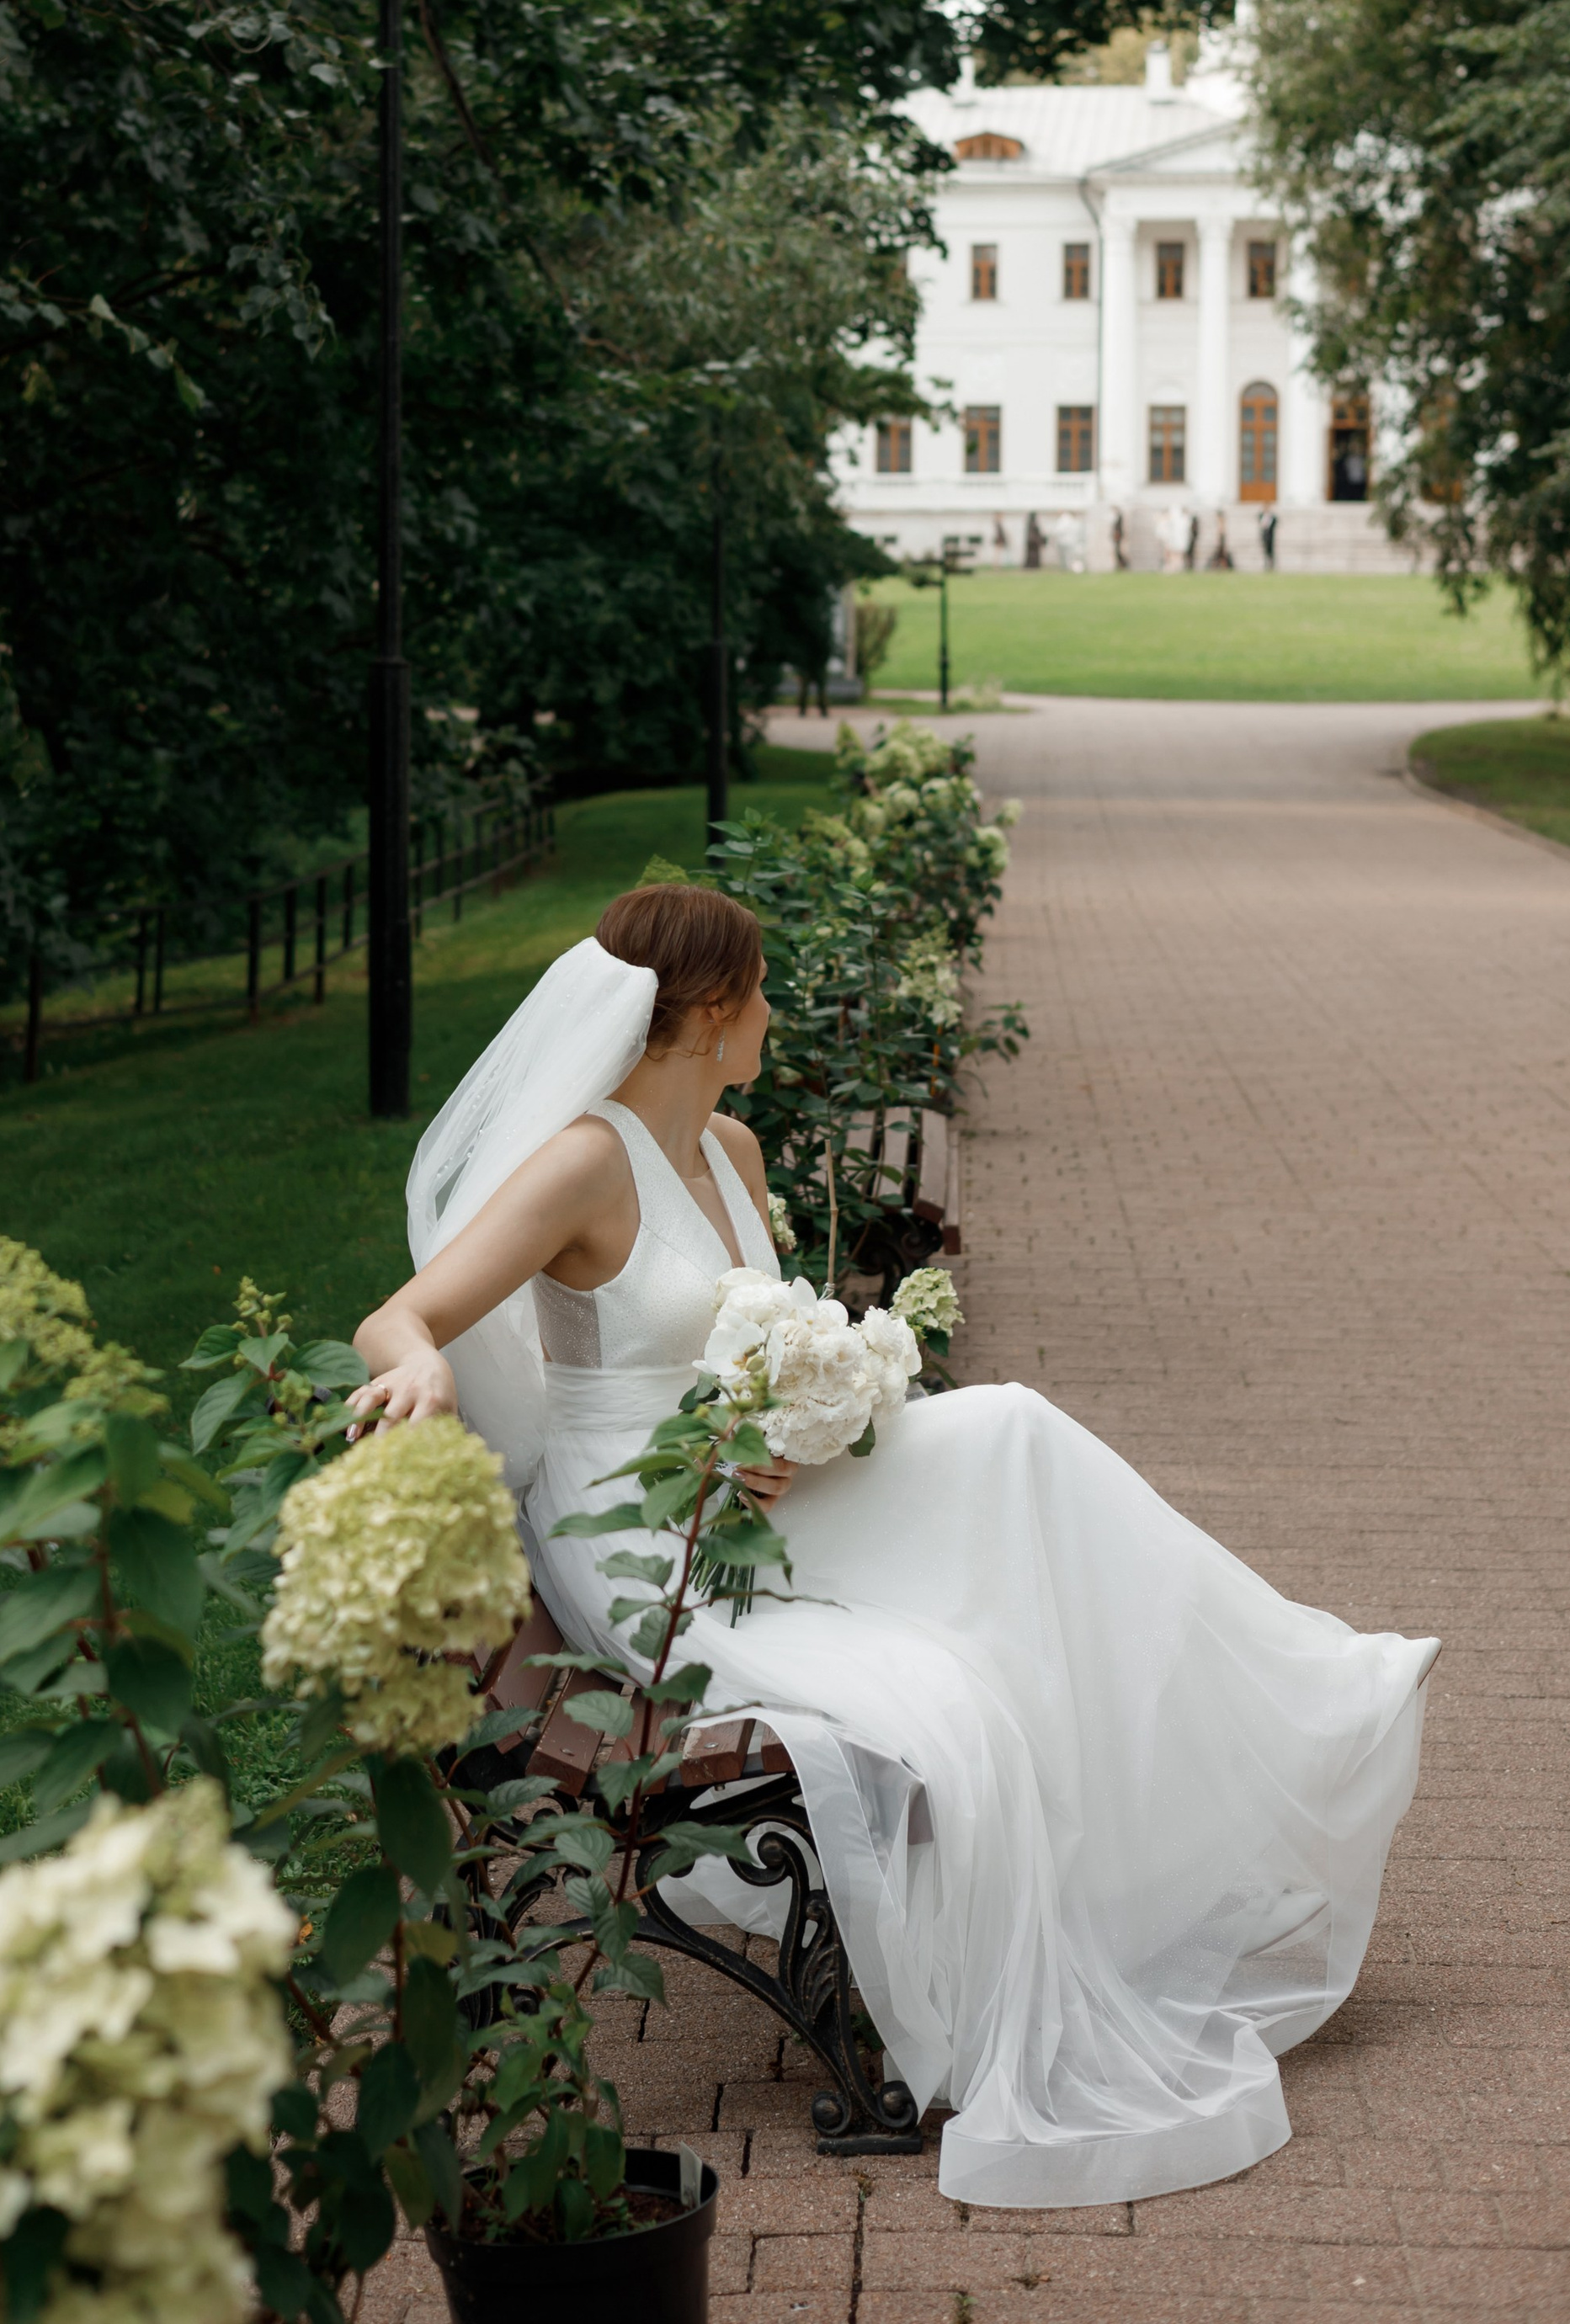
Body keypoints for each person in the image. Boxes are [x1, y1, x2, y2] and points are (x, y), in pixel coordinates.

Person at [353, 885, 1436, 2214]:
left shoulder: (736, 1150)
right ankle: (1305, 1691)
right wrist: (419, 1376)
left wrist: (813, 1417)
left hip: (770, 1491)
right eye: (756, 990)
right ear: (702, 1011)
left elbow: (759, 1348)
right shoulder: (584, 1161)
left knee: (1015, 1452)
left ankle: (1294, 1698)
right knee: (988, 1547)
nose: (771, 1011)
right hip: (650, 1531)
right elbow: (400, 1314)